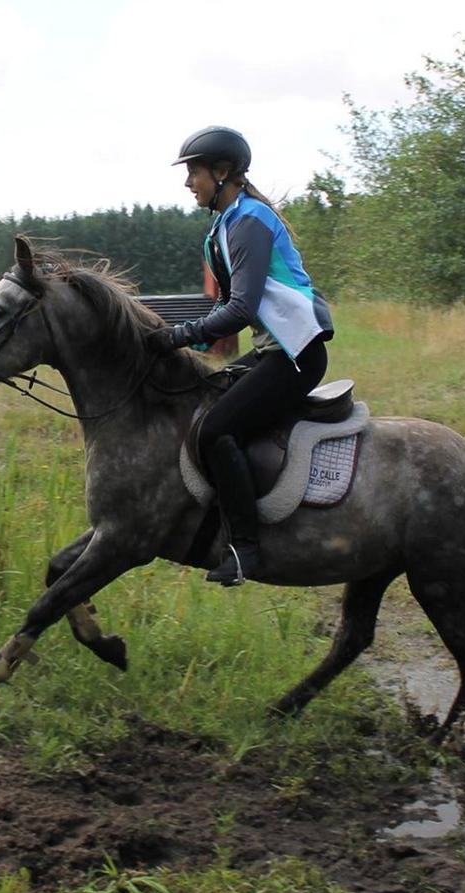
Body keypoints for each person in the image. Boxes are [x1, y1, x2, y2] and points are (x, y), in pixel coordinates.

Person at [147, 126, 334, 586]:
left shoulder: (248, 221)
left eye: (194, 173)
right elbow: (223, 306)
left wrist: (177, 337)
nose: (189, 183)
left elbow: (240, 310)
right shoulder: (226, 224)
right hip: (275, 351)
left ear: (222, 172)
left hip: (295, 356)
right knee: (206, 396)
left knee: (214, 431)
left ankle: (245, 549)